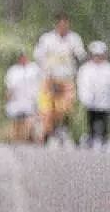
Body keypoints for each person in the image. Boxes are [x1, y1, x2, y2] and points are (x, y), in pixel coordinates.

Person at [33, 14, 87, 145]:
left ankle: (62, 131)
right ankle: (48, 134)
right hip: (49, 79)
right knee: (47, 109)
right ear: (56, 25)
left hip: (66, 79)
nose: (63, 27)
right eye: (61, 25)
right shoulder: (47, 39)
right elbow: (38, 56)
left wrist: (74, 55)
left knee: (65, 108)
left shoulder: (74, 39)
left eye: (66, 24)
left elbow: (81, 56)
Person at [76, 41, 110, 149]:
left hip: (106, 100)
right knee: (91, 118)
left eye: (100, 55)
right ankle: (91, 137)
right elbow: (82, 84)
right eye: (95, 55)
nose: (98, 57)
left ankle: (105, 138)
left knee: (104, 119)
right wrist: (84, 97)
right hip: (90, 100)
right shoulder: (86, 69)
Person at [4, 51, 42, 144]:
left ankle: (26, 139)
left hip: (30, 100)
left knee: (29, 120)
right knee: (16, 121)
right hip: (16, 101)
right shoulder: (13, 71)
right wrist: (8, 98)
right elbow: (9, 87)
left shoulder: (34, 69)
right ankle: (16, 140)